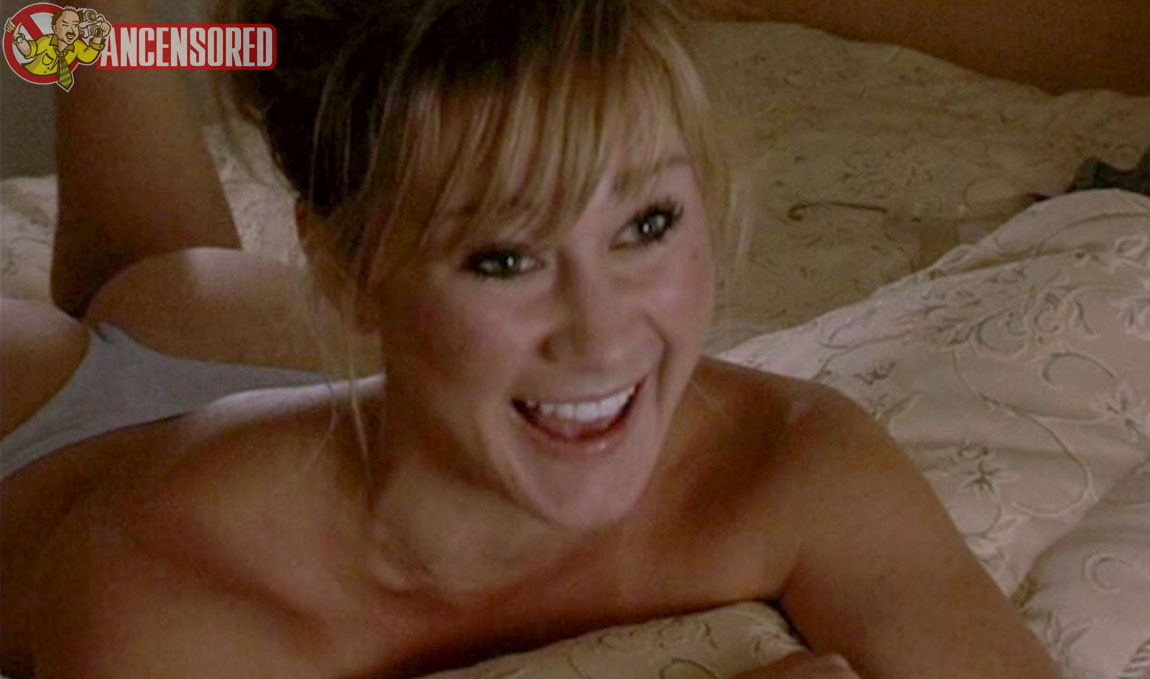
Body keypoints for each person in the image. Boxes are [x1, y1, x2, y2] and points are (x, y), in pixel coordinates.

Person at [1, 1, 1065, 677]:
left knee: (157, 262)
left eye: (646, 225)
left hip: (249, 341)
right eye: (503, 257)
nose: (604, 338)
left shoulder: (796, 466)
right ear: (350, 268)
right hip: (35, 437)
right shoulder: (155, 597)